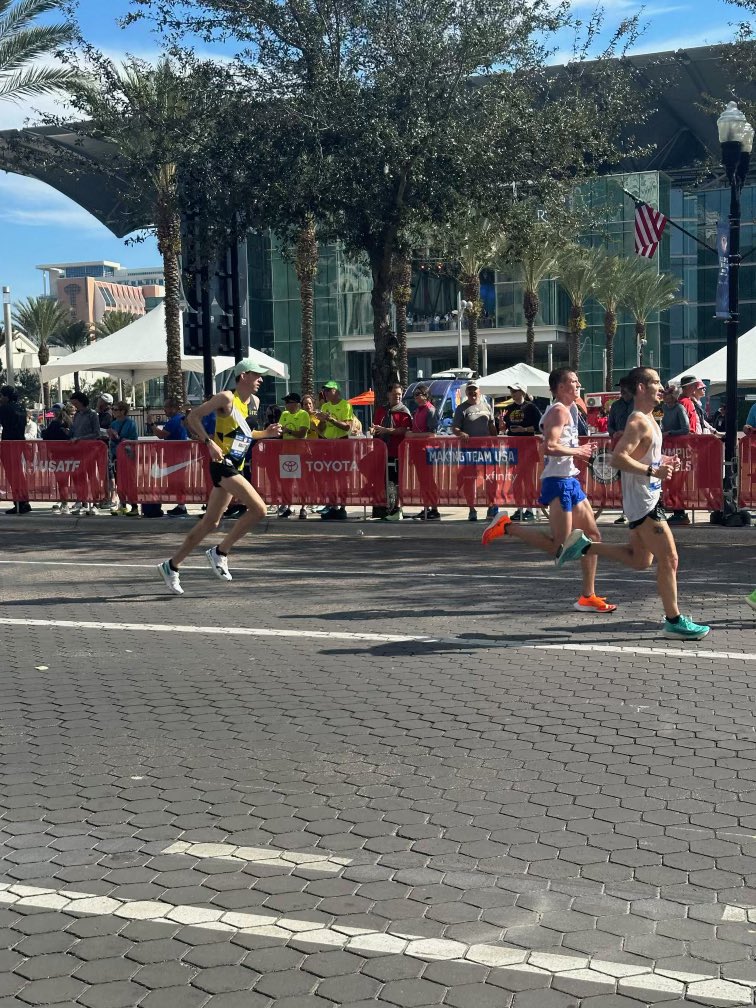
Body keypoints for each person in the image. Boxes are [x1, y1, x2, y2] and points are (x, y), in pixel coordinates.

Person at [556, 367, 710, 640]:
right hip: (644, 503)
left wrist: (662, 462)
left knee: (639, 560)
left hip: (647, 497)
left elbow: (643, 455)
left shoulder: (651, 418)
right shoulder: (637, 420)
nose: (661, 387)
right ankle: (674, 621)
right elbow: (617, 458)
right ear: (641, 387)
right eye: (655, 382)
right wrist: (652, 472)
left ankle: (584, 546)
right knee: (669, 559)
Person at [482, 367, 617, 614]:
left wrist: (579, 451)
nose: (579, 385)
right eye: (574, 382)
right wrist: (579, 452)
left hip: (570, 480)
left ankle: (588, 596)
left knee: (593, 536)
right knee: (561, 547)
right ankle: (507, 526)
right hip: (558, 482)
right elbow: (550, 446)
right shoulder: (557, 410)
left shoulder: (572, 409)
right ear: (562, 387)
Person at [157, 358, 282, 596]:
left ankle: (171, 566)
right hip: (221, 464)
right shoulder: (226, 397)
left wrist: (266, 433)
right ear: (243, 375)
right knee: (259, 509)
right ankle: (221, 552)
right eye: (256, 375)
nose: (261, 380)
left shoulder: (254, 402)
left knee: (210, 523)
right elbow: (192, 418)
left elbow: (245, 433)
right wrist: (208, 442)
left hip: (237, 463)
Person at [452, 379, 498, 521]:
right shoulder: (461, 408)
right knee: (470, 480)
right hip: (469, 450)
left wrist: (498, 429)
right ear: (466, 392)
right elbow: (455, 428)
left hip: (487, 449)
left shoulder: (487, 406)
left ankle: (492, 506)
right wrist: (461, 434)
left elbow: (492, 428)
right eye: (470, 390)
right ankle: (472, 509)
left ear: (479, 391)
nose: (473, 392)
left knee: (491, 479)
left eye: (475, 390)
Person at [499, 383, 541, 521]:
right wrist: (502, 425)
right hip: (513, 448)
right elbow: (503, 429)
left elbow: (540, 427)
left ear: (522, 392)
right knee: (516, 480)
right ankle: (519, 508)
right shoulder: (508, 408)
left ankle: (529, 509)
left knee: (528, 479)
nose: (513, 393)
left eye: (515, 391)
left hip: (528, 448)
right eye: (511, 390)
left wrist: (523, 430)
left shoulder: (531, 407)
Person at [371, 382, 412, 521]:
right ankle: (386, 508)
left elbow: (403, 430)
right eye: (395, 394)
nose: (397, 397)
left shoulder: (404, 411)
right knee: (386, 482)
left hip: (397, 452)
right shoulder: (381, 411)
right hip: (382, 452)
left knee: (397, 482)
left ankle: (397, 509)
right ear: (388, 395)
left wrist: (386, 430)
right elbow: (376, 427)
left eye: (399, 394)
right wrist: (374, 430)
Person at [316, 380, 353, 520]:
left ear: (336, 391)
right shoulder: (325, 406)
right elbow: (321, 429)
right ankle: (332, 505)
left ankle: (342, 507)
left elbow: (347, 427)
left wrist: (330, 419)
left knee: (342, 477)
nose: (325, 393)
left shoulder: (346, 405)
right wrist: (322, 421)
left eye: (328, 390)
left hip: (342, 444)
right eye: (324, 391)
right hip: (327, 444)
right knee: (329, 477)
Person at [151, 396, 191, 516]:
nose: (164, 410)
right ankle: (180, 505)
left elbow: (161, 434)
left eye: (166, 407)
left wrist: (151, 424)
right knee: (177, 480)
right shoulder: (177, 419)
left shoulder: (175, 420)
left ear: (173, 408)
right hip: (176, 455)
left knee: (178, 480)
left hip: (178, 455)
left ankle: (182, 506)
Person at [407, 383, 440, 521]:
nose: (416, 397)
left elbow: (432, 435)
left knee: (429, 481)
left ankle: (434, 509)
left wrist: (413, 436)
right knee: (423, 481)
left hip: (428, 451)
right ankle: (427, 507)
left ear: (426, 395)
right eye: (414, 395)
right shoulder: (417, 411)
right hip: (418, 451)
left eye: (418, 394)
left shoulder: (430, 410)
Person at [69, 391, 104, 516]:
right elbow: (74, 431)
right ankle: (82, 501)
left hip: (90, 450)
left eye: (75, 403)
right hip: (78, 451)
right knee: (79, 477)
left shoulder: (92, 415)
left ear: (81, 401)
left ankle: (95, 503)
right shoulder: (77, 415)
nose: (74, 406)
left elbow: (97, 433)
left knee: (92, 476)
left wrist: (81, 439)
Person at [661, 383, 691, 526]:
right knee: (667, 481)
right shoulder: (663, 408)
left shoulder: (679, 408)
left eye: (667, 394)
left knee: (677, 481)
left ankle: (680, 512)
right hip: (667, 449)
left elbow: (685, 428)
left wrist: (669, 433)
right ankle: (671, 508)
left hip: (680, 450)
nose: (664, 396)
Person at [279, 392, 311, 519]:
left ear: (296, 404)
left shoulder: (303, 414)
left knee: (302, 482)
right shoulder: (284, 414)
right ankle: (288, 506)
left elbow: (302, 434)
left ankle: (304, 508)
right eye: (285, 402)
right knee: (287, 482)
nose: (286, 405)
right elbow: (280, 430)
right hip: (287, 453)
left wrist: (289, 431)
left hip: (301, 453)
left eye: (288, 402)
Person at [0, 384, 31, 514]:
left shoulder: (5, 408)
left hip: (9, 444)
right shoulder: (21, 408)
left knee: (13, 475)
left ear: (7, 396)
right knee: (19, 473)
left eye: (1, 395)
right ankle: (24, 501)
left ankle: (19, 503)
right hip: (20, 442)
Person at [607, 379, 634, 525]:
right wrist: (615, 432)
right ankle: (625, 512)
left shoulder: (637, 404)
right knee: (622, 483)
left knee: (634, 480)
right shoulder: (616, 405)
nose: (622, 390)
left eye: (625, 387)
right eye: (621, 387)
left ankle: (635, 512)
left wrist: (627, 432)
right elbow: (609, 426)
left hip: (635, 448)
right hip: (619, 448)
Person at [108, 402, 139, 517]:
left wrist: (117, 437)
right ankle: (123, 505)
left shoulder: (130, 423)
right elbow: (112, 441)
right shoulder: (114, 423)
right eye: (113, 409)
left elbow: (131, 439)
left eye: (115, 409)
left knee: (129, 481)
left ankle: (135, 506)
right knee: (118, 481)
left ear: (122, 411)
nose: (113, 411)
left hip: (127, 455)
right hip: (116, 455)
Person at [41, 403, 71, 513]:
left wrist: (44, 432)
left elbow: (46, 435)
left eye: (55, 411)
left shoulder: (55, 424)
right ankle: (66, 501)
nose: (54, 413)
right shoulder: (69, 422)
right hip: (68, 455)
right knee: (66, 480)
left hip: (60, 455)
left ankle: (65, 503)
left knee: (62, 480)